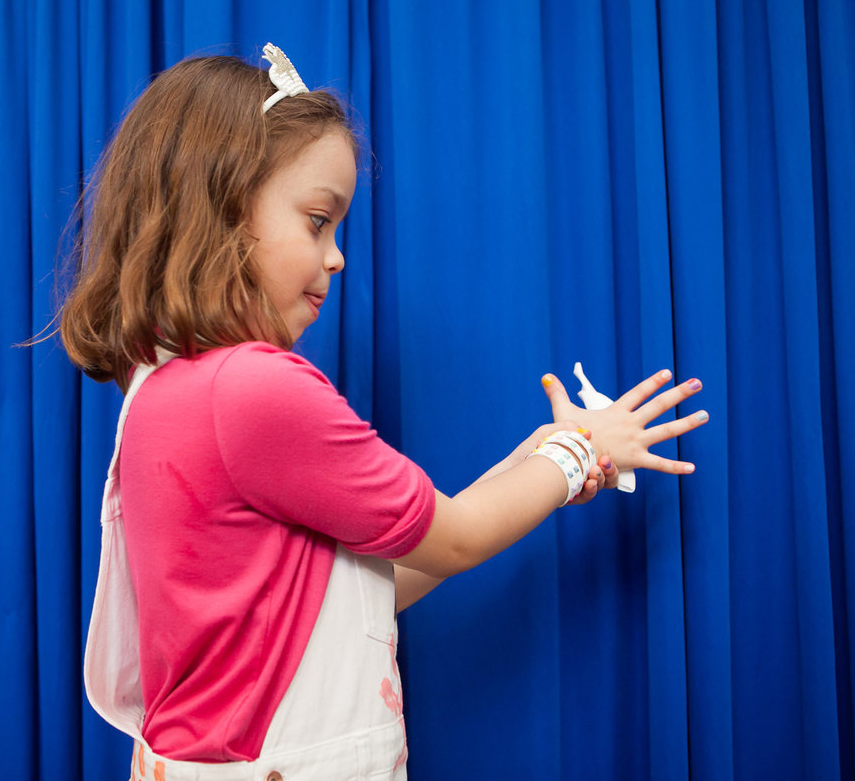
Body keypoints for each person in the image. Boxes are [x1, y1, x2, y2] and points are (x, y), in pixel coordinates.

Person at [57, 44, 708, 781]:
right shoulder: (256, 391)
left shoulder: (164, 388)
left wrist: (542, 453)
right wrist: (580, 455)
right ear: (226, 211)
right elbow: (456, 539)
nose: (337, 259)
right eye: (316, 221)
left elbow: (368, 586)